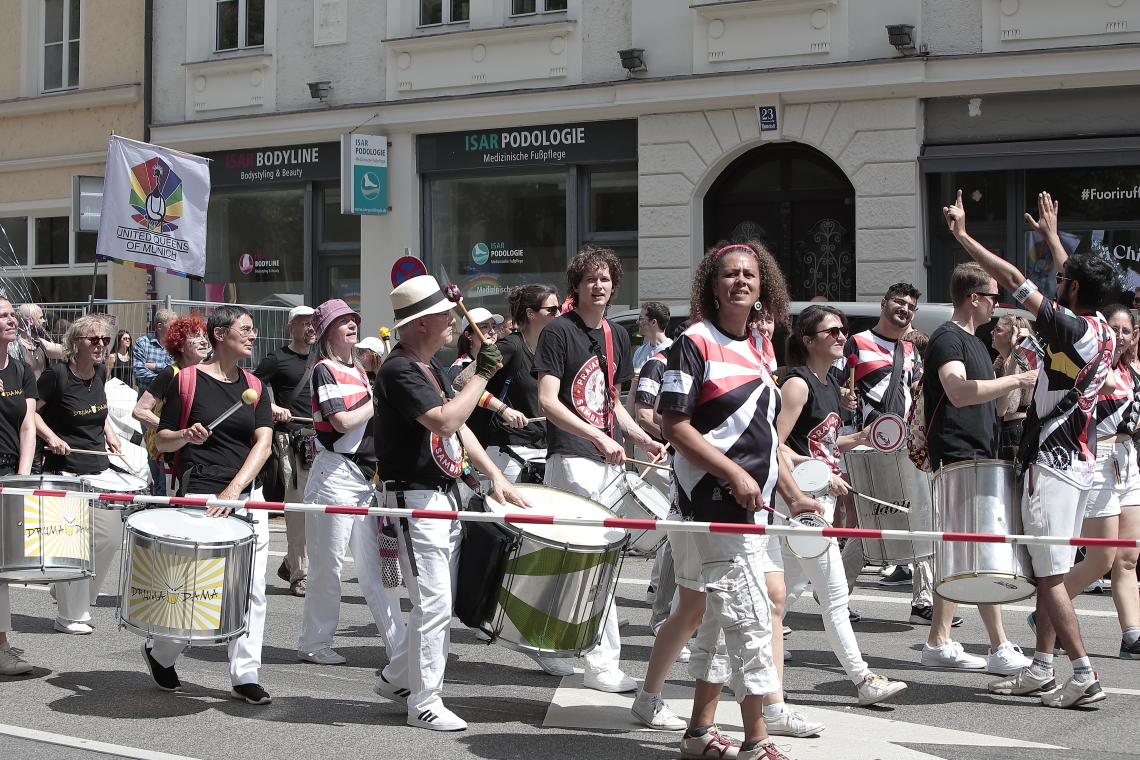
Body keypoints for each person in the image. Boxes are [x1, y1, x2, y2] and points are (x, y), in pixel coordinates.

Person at [947, 189, 1116, 707]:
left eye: (1063, 281)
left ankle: (1083, 673)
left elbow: (1016, 283)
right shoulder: (1102, 328)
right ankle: (1042, 668)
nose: (1056, 284)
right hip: (1076, 467)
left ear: (1075, 290)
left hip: (1053, 466)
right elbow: (1072, 288)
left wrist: (963, 237)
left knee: (1048, 577)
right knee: (1054, 575)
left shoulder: (1071, 328)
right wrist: (1051, 239)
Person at [659, 240, 814, 760]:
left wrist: (789, 492)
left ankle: (699, 733)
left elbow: (764, 434)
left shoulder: (759, 347)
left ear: (762, 287)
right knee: (750, 618)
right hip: (713, 503)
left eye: (750, 274)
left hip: (754, 506)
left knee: (724, 621)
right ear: (713, 285)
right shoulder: (693, 342)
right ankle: (757, 742)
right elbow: (674, 426)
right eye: (729, 274)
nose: (740, 281)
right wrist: (732, 476)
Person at [373, 275, 530, 732]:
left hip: (441, 496)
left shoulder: (429, 369)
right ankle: (424, 702)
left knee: (439, 601)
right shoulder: (398, 370)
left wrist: (496, 477)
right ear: (421, 323)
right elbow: (445, 422)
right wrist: (483, 371)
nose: (451, 321)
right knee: (435, 604)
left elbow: (462, 430)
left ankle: (396, 679)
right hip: (414, 500)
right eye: (445, 314)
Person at [534, 245, 668, 693]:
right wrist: (598, 436)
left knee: (573, 562)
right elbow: (548, 401)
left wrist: (641, 437)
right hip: (572, 457)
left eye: (606, 278)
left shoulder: (616, 335)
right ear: (576, 285)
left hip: (604, 457)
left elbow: (609, 401)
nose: (599, 285)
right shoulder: (557, 332)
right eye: (590, 278)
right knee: (598, 558)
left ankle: (548, 643)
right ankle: (602, 664)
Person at [776, 304, 908, 706]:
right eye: (832, 330)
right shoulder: (797, 385)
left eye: (843, 330)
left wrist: (862, 436)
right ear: (808, 339)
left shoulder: (832, 384)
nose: (840, 336)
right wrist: (815, 479)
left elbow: (823, 442)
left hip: (821, 501)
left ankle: (723, 654)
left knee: (784, 590)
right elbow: (774, 445)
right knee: (834, 596)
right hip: (801, 504)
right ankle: (863, 679)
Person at [146, 305, 274, 705]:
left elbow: (263, 444)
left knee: (251, 589)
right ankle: (161, 651)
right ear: (220, 335)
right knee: (196, 587)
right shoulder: (185, 381)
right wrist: (185, 433)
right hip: (199, 493)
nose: (253, 336)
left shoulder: (256, 386)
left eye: (253, 330)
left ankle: (245, 674)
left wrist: (236, 490)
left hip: (245, 496)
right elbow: (161, 441)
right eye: (246, 330)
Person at [919, 262, 1037, 676]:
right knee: (980, 550)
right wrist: (1017, 381)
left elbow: (989, 403)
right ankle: (999, 645)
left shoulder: (976, 343)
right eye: (992, 297)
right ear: (974, 298)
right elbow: (958, 391)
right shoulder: (948, 339)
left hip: (975, 454)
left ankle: (938, 641)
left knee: (965, 549)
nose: (996, 305)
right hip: (959, 455)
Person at [296, 299, 405, 666]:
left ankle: (400, 649)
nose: (352, 325)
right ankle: (314, 643)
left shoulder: (357, 369)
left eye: (353, 319)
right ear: (328, 332)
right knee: (328, 566)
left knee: (374, 569)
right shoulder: (324, 370)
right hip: (336, 475)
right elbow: (341, 422)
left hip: (360, 476)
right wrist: (378, 397)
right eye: (342, 321)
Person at [834, 284, 947, 626]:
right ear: (883, 304)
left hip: (908, 445)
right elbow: (833, 381)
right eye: (899, 302)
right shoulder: (856, 342)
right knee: (872, 522)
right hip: (871, 446)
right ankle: (835, 595)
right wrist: (843, 396)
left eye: (911, 306)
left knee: (923, 519)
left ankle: (923, 601)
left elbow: (915, 393)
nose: (905, 309)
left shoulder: (911, 350)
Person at [1045, 303, 1140, 652]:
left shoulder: (1134, 371)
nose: (1118, 336)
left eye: (1125, 331)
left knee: (1128, 555)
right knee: (1102, 557)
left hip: (1128, 461)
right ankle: (1049, 611)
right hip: (1097, 459)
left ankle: (1132, 634)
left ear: (1135, 336)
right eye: (1112, 329)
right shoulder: (1091, 364)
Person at [34, 315, 123, 635]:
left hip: (99, 468)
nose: (101, 345)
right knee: (73, 543)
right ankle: (71, 615)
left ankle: (71, 594)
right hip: (64, 471)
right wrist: (51, 438)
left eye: (105, 340)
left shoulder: (100, 370)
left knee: (110, 538)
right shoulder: (55, 375)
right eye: (93, 339)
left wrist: (109, 431)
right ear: (75, 344)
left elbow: (98, 409)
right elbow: (30, 412)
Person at [254, 304, 316, 598]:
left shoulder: (324, 358)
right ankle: (300, 575)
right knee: (299, 511)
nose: (310, 327)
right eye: (304, 323)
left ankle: (291, 562)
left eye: (314, 322)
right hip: (293, 442)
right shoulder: (277, 359)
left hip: (324, 444)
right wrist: (273, 407)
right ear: (291, 328)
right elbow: (251, 388)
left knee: (322, 513)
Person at [482, 284, 559, 484]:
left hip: (545, 450)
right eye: (551, 310)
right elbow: (463, 383)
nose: (558, 314)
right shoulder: (510, 346)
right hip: (509, 452)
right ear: (531, 314)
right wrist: (502, 409)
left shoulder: (550, 350)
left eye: (558, 308)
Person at [0, 298, 40, 675]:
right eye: (3, 315)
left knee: (2, 566)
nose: (11, 320)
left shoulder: (21, 371)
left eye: (12, 314)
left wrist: (22, 477)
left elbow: (27, 426)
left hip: (8, 475)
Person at [132, 312, 210, 494]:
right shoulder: (171, 373)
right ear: (181, 345)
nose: (204, 341)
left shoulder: (209, 374)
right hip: (175, 457)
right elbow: (139, 411)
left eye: (204, 336)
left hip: (203, 455)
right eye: (196, 336)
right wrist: (174, 431)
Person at [992, 315, 1035, 461]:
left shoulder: (1014, 364)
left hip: (1015, 433)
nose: (992, 333)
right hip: (1016, 432)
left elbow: (1009, 408)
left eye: (998, 330)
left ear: (1011, 336)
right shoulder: (1004, 362)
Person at [445, 307, 504, 388]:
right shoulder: (459, 367)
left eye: (493, 326)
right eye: (484, 327)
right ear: (468, 335)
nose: (492, 331)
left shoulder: (500, 361)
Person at [11, 303, 63, 378]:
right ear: (30, 321)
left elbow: (66, 351)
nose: (44, 321)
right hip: (25, 389)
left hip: (42, 389)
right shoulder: (13, 346)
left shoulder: (39, 343)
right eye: (41, 317)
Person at [132, 308, 176, 396]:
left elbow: (177, 369)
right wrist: (164, 379)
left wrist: (155, 366)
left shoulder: (176, 345)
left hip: (169, 396)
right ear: (160, 326)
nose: (175, 329)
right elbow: (138, 371)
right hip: (146, 395)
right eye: (172, 326)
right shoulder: (142, 343)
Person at [633, 301, 672, 370]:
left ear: (653, 322)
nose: (637, 322)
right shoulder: (639, 352)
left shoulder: (672, 350)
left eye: (641, 318)